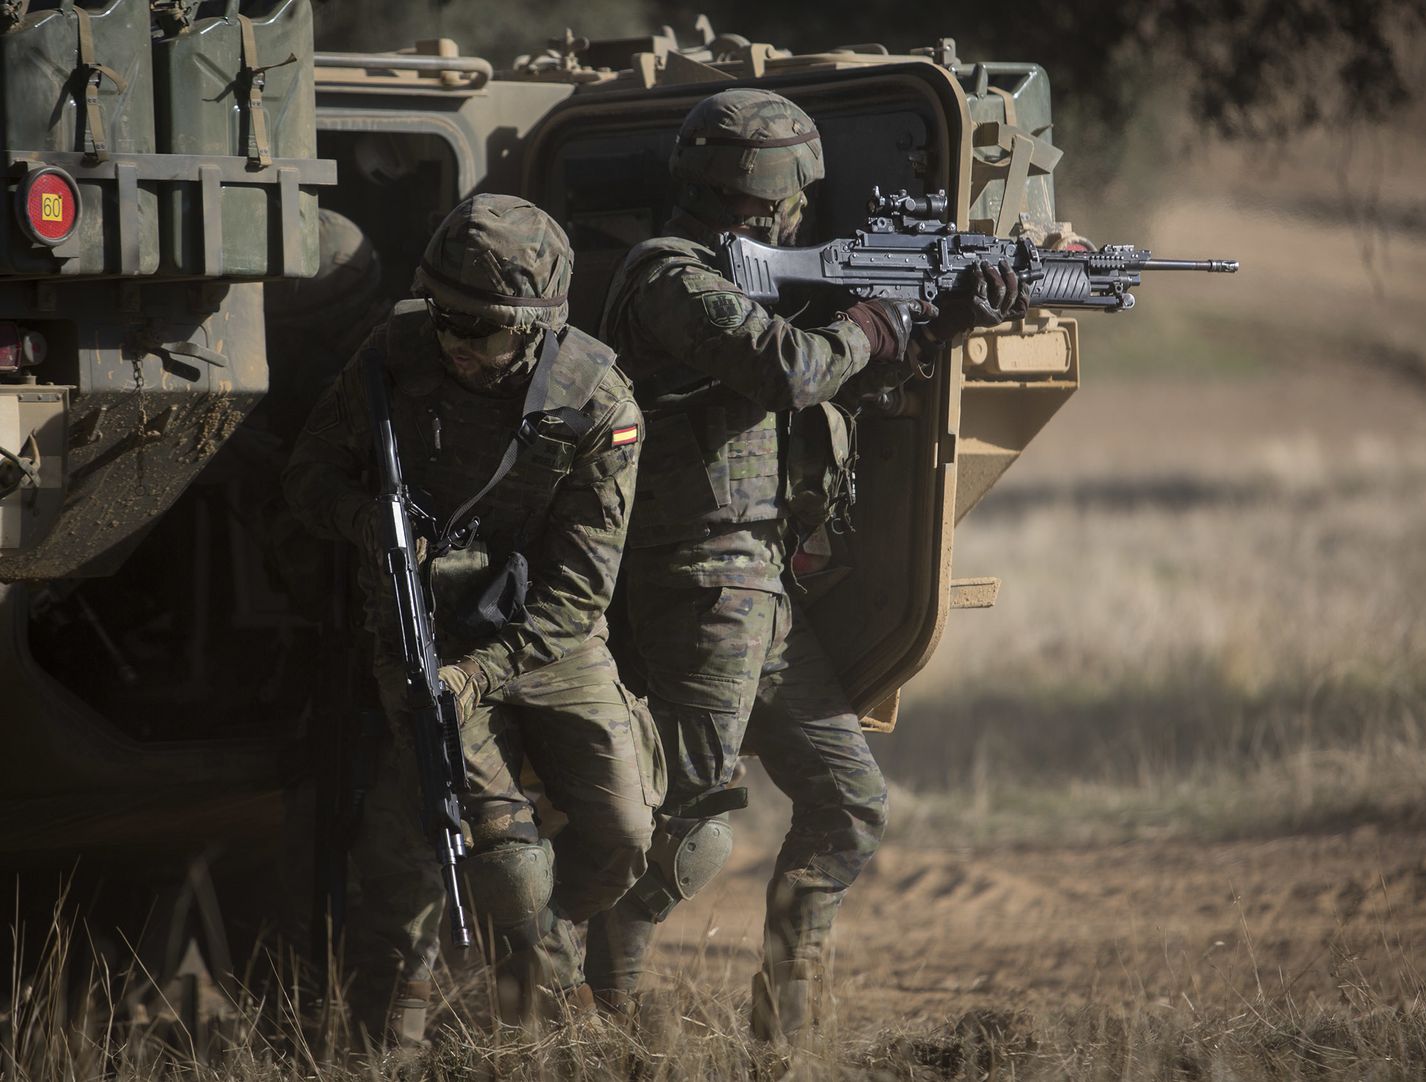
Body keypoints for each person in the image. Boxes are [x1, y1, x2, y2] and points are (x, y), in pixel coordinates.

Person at [590, 88, 1021, 1042]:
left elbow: (825, 377)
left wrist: (940, 322)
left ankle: (784, 1039)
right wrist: (880, 317)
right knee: (687, 824)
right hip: (701, 580)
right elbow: (788, 368)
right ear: (770, 195)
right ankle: (592, 1011)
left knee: (848, 806)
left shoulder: (739, 281)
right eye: (796, 196)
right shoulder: (671, 276)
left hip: (760, 582)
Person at [284, 193, 659, 1044]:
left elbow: (579, 593)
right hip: (427, 627)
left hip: (546, 632)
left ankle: (538, 941)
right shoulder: (394, 355)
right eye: (445, 317)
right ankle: (422, 1035)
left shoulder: (598, 403)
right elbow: (306, 479)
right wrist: (367, 522)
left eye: (480, 329)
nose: (456, 343)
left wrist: (480, 675)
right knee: (476, 849)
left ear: (534, 328)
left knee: (628, 831)